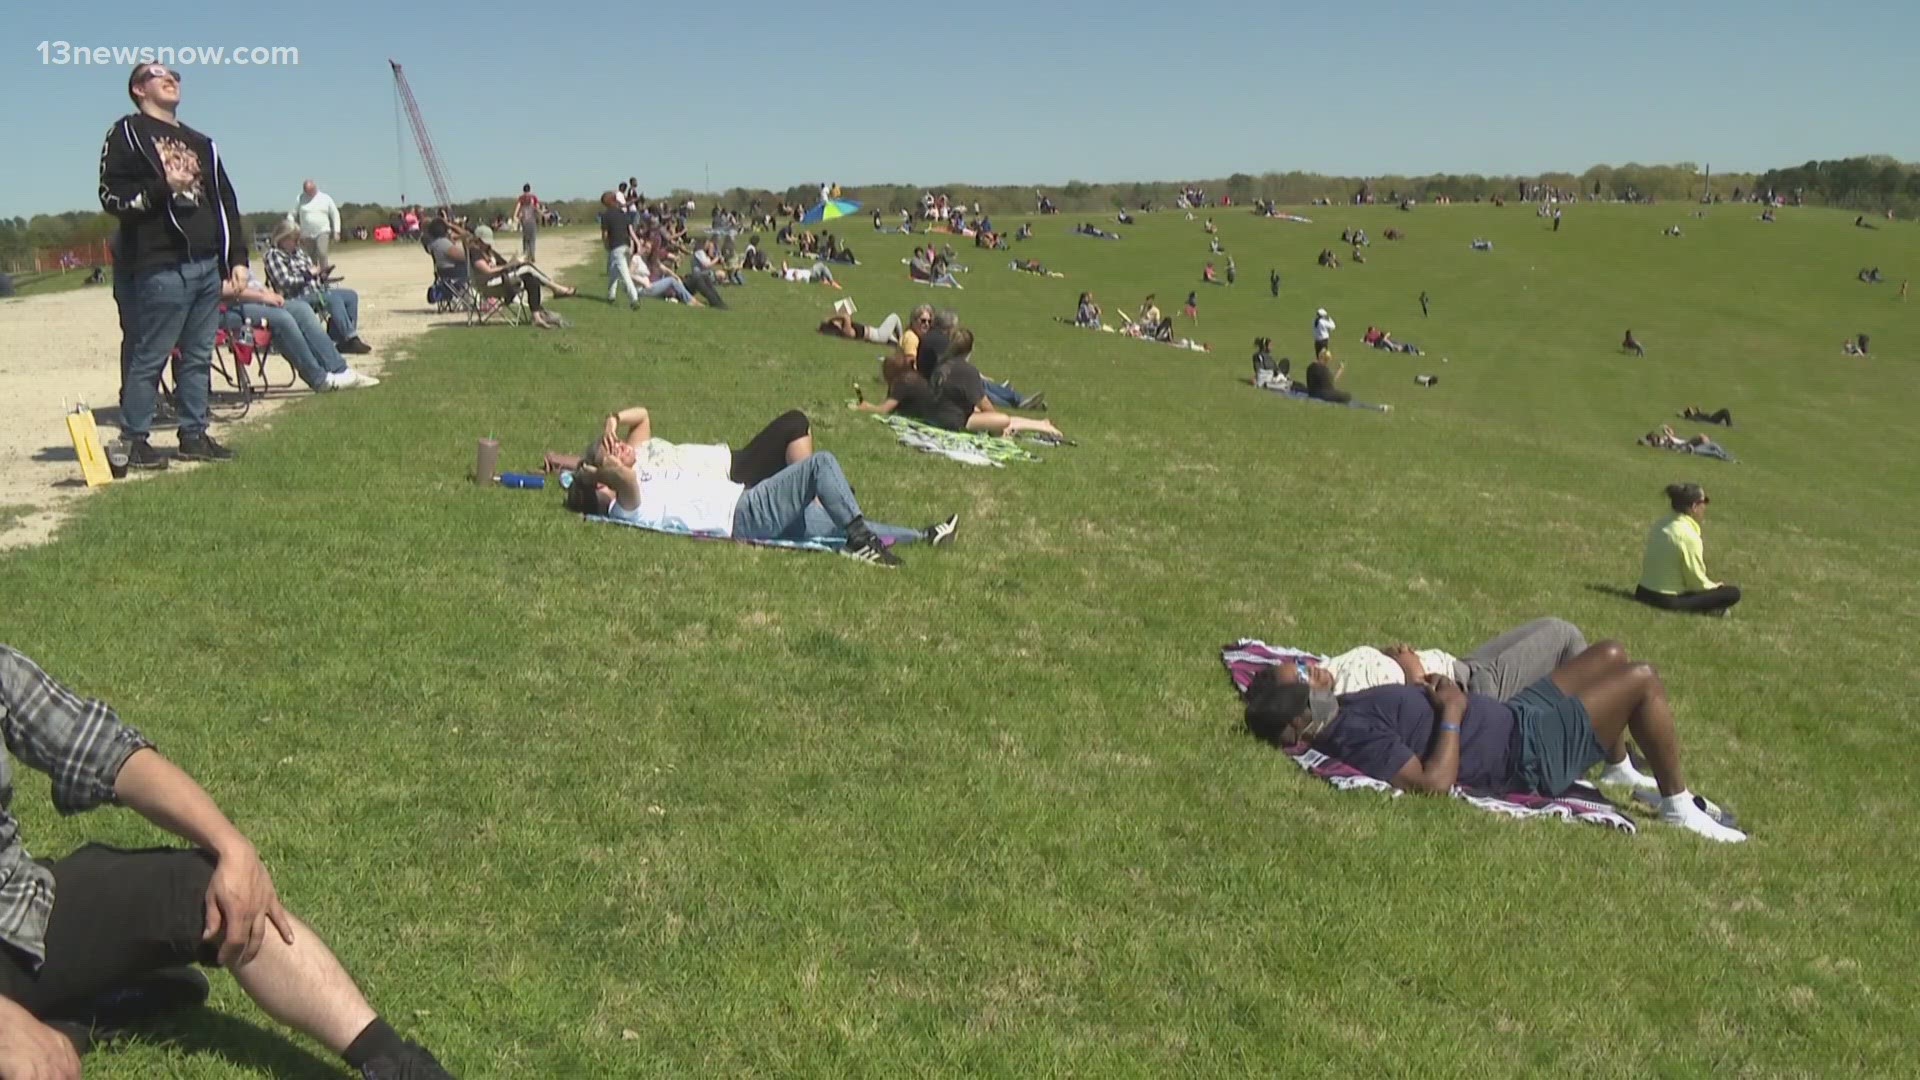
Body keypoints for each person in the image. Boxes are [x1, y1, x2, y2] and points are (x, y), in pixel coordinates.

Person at [0, 645, 459, 1076]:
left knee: (209, 890)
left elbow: (103, 749)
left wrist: (232, 847)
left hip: (14, 906)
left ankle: (394, 1063)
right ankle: (78, 1014)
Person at [1242, 643, 1747, 841]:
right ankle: (1679, 806)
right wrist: (1454, 714)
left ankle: (1618, 768)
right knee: (1641, 679)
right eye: (1305, 681)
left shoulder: (1346, 711)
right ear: (1298, 723)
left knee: (1609, 652)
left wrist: (1431, 690)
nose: (1317, 677)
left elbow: (1412, 718)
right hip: (1525, 752)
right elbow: (1433, 784)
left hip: (1513, 718)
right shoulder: (1352, 735)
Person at [100, 62, 249, 466]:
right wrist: (163, 187)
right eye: (157, 75)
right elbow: (111, 197)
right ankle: (133, 440)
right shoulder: (127, 133)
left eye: (176, 75)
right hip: (160, 264)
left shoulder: (202, 142)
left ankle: (194, 435)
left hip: (205, 265)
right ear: (137, 89)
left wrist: (236, 258)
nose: (171, 79)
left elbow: (226, 203)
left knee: (199, 355)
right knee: (151, 354)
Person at [576, 440, 952, 568]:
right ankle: (863, 544)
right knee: (820, 463)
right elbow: (620, 478)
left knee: (832, 523)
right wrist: (598, 471)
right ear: (602, 488)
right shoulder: (627, 507)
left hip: (743, 504)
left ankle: (923, 536)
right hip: (742, 513)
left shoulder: (642, 476)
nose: (616, 454)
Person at [221, 272, 379, 393]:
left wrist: (266, 293)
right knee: (282, 318)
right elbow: (221, 289)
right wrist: (263, 296)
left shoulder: (231, 250)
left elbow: (252, 282)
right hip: (223, 308)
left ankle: (340, 370)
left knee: (301, 310)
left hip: (250, 300)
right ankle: (319, 379)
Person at [262, 222, 372, 354]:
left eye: (298, 239)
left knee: (350, 296)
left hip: (315, 291)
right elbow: (285, 282)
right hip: (295, 297)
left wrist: (321, 275)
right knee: (333, 299)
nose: (297, 242)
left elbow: (312, 272)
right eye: (294, 239)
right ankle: (351, 338)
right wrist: (308, 275)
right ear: (282, 239)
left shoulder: (299, 253)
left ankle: (339, 339)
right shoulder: (274, 255)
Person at [1637, 482, 1740, 615]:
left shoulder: (1661, 524)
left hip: (1643, 591)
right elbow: (1696, 581)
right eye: (1705, 501)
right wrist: (1715, 587)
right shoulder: (1688, 536)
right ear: (1694, 506)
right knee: (1733, 593)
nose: (1706, 506)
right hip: (1666, 600)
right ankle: (1712, 610)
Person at [597, 191, 641, 307]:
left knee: (625, 274)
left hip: (616, 247)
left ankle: (634, 298)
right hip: (626, 245)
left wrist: (606, 245)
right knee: (613, 271)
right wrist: (634, 244)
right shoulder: (623, 213)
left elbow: (605, 234)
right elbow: (629, 231)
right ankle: (611, 296)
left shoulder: (605, 216)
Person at [289, 179, 340, 270]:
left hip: (322, 230)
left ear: (315, 188)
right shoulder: (300, 199)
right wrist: (292, 228)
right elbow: (292, 214)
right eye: (307, 191)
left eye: (311, 190)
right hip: (306, 234)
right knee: (310, 257)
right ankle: (314, 276)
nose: (310, 193)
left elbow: (335, 214)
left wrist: (337, 231)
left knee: (322, 252)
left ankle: (324, 273)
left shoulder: (325, 198)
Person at [819, 308, 903, 345]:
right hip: (878, 336)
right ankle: (903, 341)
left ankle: (902, 343)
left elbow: (845, 317)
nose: (837, 321)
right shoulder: (846, 332)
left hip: (877, 333)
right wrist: (830, 318)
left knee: (896, 343)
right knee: (894, 317)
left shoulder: (844, 327)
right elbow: (846, 316)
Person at [513, 184, 540, 260]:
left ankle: (526, 254)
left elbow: (518, 207)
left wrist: (515, 216)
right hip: (532, 220)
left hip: (524, 221)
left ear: (523, 190)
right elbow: (537, 208)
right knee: (532, 238)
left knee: (525, 239)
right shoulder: (533, 197)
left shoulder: (521, 198)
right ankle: (532, 254)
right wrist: (539, 217)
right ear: (530, 190)